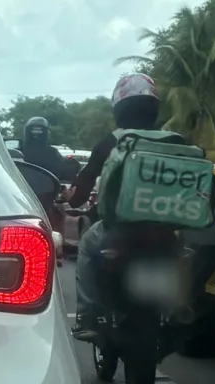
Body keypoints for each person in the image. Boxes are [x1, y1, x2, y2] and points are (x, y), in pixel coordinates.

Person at [69, 72, 162, 323]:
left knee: (87, 246)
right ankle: (173, 317)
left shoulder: (113, 141)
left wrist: (72, 197)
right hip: (164, 233)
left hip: (118, 231)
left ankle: (87, 314)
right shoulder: (175, 141)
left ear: (120, 108)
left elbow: (78, 198)